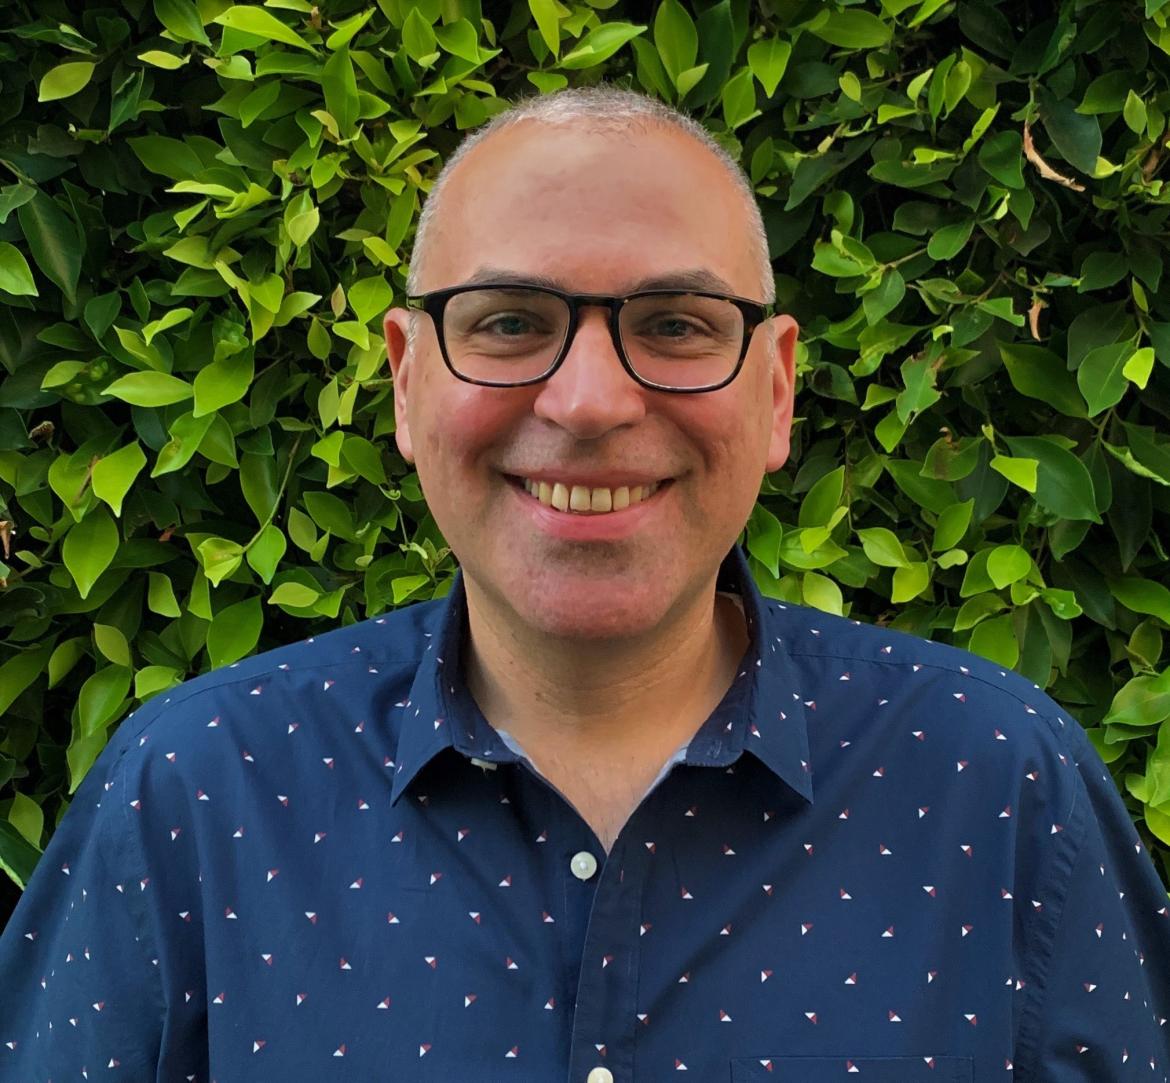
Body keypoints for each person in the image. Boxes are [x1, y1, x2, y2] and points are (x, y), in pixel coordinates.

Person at [1, 85, 1167, 1083]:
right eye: (509, 321)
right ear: (407, 384)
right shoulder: (193, 795)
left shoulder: (1003, 787)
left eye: (674, 323)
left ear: (776, 391)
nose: (593, 401)